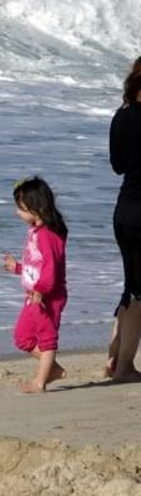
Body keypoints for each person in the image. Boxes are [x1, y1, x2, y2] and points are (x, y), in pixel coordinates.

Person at [2, 176, 69, 394]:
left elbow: (50, 269)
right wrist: (18, 268)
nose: (17, 213)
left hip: (48, 296)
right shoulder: (36, 231)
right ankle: (53, 369)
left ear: (36, 208)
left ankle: (40, 382)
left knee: (47, 339)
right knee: (23, 337)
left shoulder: (48, 235)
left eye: (20, 208)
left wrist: (41, 289)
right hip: (34, 295)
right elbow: (36, 265)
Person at [109, 57, 141, 382]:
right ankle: (124, 367)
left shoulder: (121, 115)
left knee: (132, 285)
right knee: (138, 293)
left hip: (124, 210)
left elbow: (117, 165)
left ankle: (113, 358)